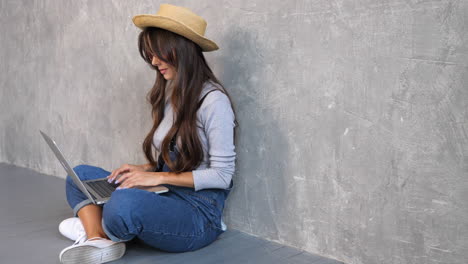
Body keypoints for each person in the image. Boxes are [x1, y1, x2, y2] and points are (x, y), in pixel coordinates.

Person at [57, 4, 238, 264]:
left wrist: (156, 177)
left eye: (158, 54)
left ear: (181, 50)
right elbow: (181, 156)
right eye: (151, 55)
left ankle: (94, 225)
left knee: (124, 203)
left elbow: (222, 176)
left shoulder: (214, 102)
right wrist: (144, 169)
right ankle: (98, 237)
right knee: (79, 175)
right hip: (164, 192)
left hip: (196, 213)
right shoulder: (173, 93)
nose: (153, 62)